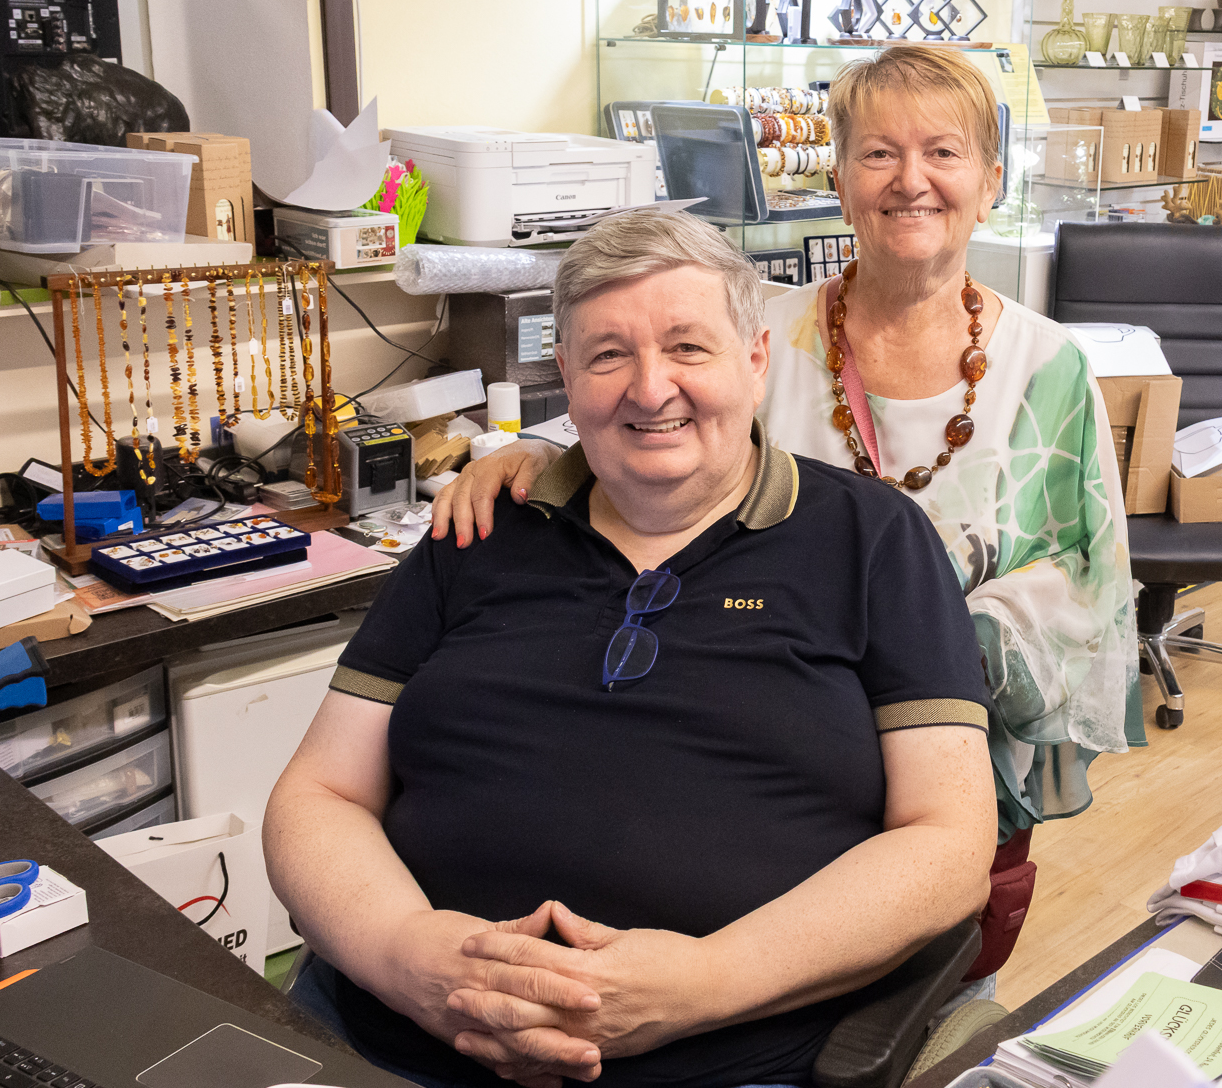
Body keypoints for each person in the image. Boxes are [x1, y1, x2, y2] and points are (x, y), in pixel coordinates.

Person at [264, 209, 998, 1088]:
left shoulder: (870, 540)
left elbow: (950, 843)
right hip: (387, 1042)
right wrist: (409, 958)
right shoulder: (480, 530)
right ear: (566, 376)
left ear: (755, 361)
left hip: (724, 1064)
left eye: (689, 347)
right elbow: (318, 792)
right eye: (608, 355)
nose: (650, 390)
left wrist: (706, 981)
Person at [433, 45, 1145, 851]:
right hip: (751, 755)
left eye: (942, 152)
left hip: (957, 770)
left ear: (990, 184)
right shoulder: (764, 334)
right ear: (838, 184)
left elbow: (1090, 590)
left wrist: (927, 651)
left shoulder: (1050, 370)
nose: (910, 180)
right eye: (878, 153)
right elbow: (640, 421)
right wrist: (528, 457)